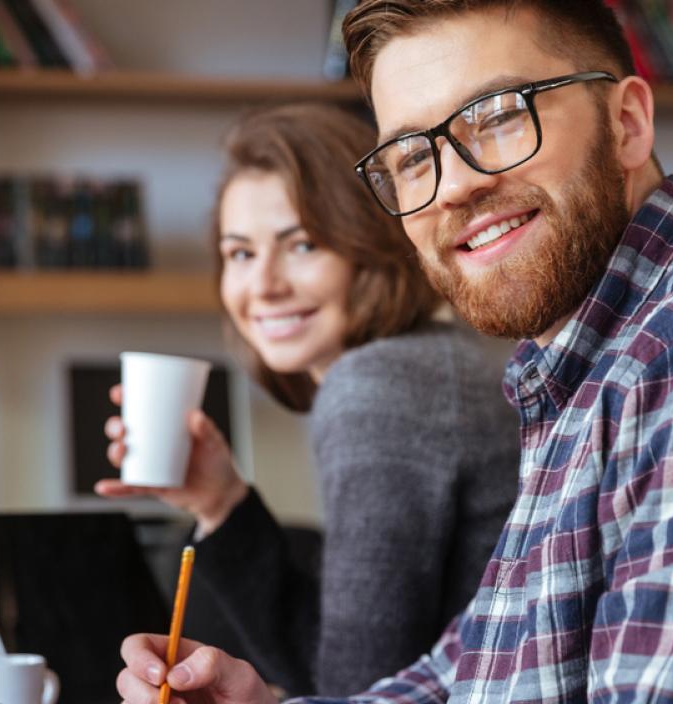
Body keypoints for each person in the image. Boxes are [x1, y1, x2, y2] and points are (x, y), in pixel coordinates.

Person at [113, 1, 673, 702]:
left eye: (495, 115)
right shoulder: (576, 374)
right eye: (414, 157)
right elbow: (462, 676)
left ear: (627, 123)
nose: (451, 187)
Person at [97, 103, 520, 696]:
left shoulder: (379, 388)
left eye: (302, 245)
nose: (263, 284)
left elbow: (353, 687)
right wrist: (221, 503)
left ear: (370, 248)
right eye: (240, 253)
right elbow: (335, 666)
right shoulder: (430, 361)